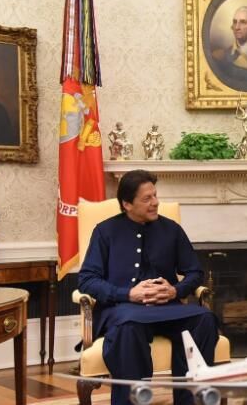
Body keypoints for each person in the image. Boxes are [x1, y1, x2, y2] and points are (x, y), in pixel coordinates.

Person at [78, 170, 219, 405]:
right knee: (128, 328)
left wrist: (175, 290)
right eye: (147, 198)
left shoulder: (172, 229)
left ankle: (192, 401)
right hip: (123, 309)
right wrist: (128, 294)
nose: (155, 202)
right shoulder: (105, 231)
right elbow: (87, 279)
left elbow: (195, 272)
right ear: (127, 204)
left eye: (155, 195)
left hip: (168, 308)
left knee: (204, 318)